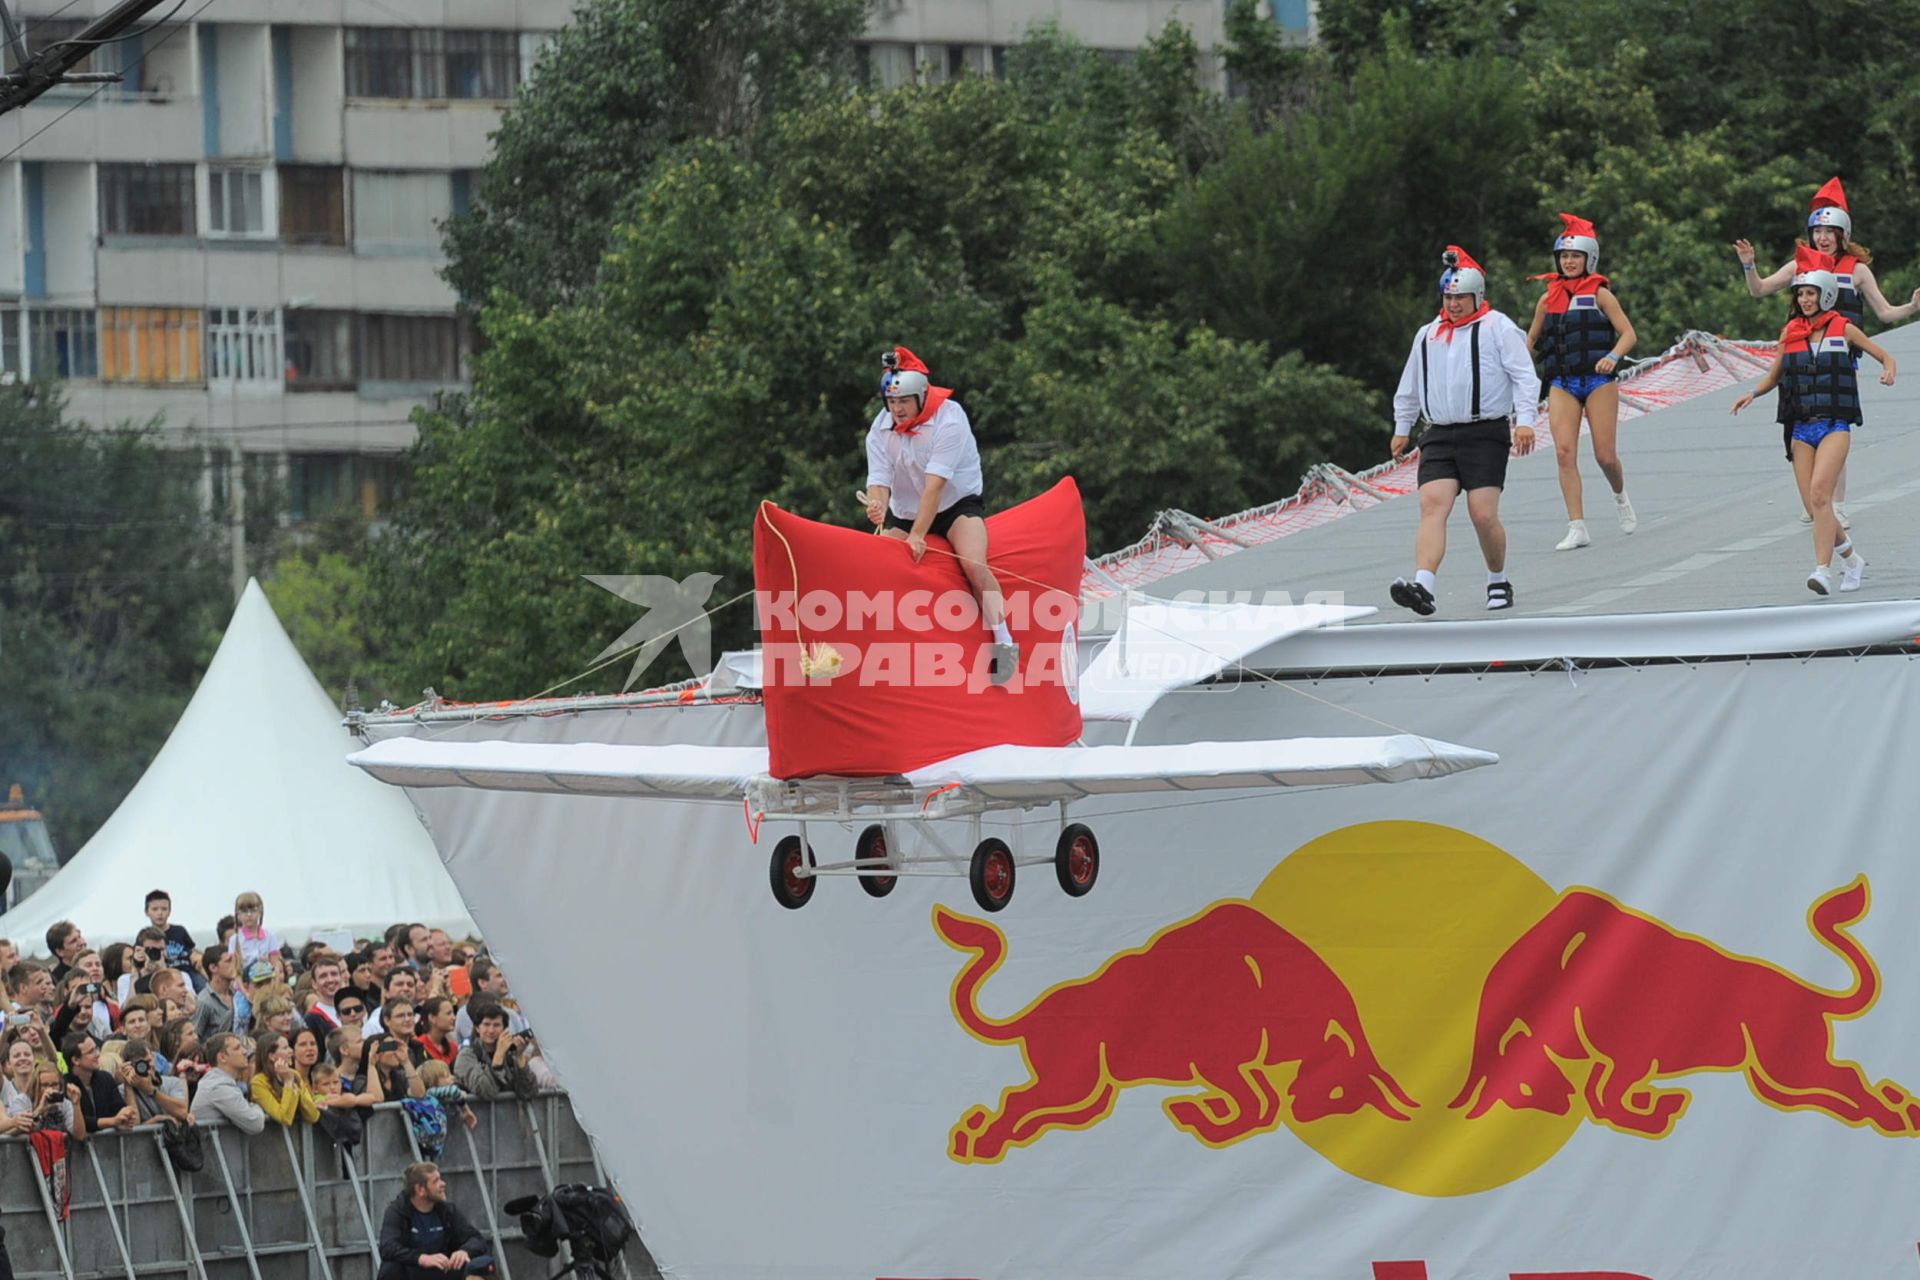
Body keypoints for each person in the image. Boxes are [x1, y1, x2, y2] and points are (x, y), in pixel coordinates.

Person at [1734, 177, 1920, 527]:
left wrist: (1910, 307)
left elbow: (1884, 313)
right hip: (1799, 355)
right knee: (1796, 424)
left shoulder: (1857, 270)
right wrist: (1749, 265)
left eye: (1829, 231)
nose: (1822, 238)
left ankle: (1837, 503)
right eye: (1817, 231)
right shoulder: (1798, 267)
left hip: (1839, 355)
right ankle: (1812, 499)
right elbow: (1758, 290)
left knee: (1835, 423)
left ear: (1842, 234)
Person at [1731, 247, 1894, 593]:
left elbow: (1883, 355)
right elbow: (1775, 375)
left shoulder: (1844, 329)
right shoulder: (1790, 331)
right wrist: (1752, 394)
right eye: (1800, 293)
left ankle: (1822, 569)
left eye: (1810, 293)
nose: (1804, 299)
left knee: (1822, 493)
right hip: (1800, 428)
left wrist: (1889, 371)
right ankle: (1852, 559)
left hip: (1835, 424)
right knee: (1814, 503)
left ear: (1827, 294)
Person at [1389, 245, 1541, 615]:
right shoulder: (1427, 334)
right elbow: (1410, 383)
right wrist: (1402, 426)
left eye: (1461, 297)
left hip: (1485, 432)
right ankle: (1423, 585)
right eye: (1448, 296)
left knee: (1482, 513)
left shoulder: (1497, 327)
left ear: (1478, 297)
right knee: (1431, 506)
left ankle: (1498, 579)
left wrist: (1525, 422)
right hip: (1438, 433)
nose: (1454, 304)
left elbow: (1524, 376)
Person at [861, 346, 1020, 684]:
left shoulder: (950, 419)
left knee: (974, 564)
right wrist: (876, 506)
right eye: (891, 403)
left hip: (954, 505)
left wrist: (918, 535)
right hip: (905, 511)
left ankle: (1004, 640)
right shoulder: (879, 429)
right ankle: (886, 647)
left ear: (921, 397)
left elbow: (935, 486)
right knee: (874, 561)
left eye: (903, 402)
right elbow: (879, 480)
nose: (897, 410)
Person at [1527, 213, 1639, 551]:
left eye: (1575, 256)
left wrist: (1613, 357)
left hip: (1598, 380)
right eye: (1564, 256)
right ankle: (1577, 525)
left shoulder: (1601, 294)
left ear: (1589, 259)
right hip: (1562, 381)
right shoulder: (1547, 299)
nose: (1569, 261)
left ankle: (1620, 495)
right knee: (1563, 453)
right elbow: (1530, 343)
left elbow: (1628, 333)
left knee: (1605, 455)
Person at [377, 1161, 495, 1280]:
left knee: (478, 1265)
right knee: (390, 1268)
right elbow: (387, 1247)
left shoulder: (447, 1211)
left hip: (442, 1271)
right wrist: (421, 1258)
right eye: (436, 1181)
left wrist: (464, 1251)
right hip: (412, 1271)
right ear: (420, 1189)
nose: (443, 1184)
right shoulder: (398, 1211)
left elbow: (477, 1239)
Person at [61, 1031, 140, 1135]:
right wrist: (113, 1121)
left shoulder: (105, 1079)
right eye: (91, 1052)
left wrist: (126, 1116)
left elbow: (120, 1108)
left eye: (96, 1048)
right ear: (76, 1060)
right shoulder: (64, 1085)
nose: (98, 1054)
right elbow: (78, 1121)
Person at [190, 1032, 268, 1134]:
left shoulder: (221, 1081)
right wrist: (256, 1107)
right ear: (222, 1057)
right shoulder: (218, 1087)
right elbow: (255, 1123)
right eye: (237, 1048)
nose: (245, 1052)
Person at [453, 1004, 529, 1101]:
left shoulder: (510, 1054)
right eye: (486, 1024)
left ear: (504, 1029)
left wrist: (520, 1057)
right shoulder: (466, 1056)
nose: (491, 1030)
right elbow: (486, 1092)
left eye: (496, 1025)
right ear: (477, 1028)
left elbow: (528, 1092)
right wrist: (498, 1057)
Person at [249, 1031, 321, 1127]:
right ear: (272, 1056)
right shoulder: (258, 1083)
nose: (291, 1051)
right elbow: (284, 1117)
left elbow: (313, 1116)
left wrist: (296, 1089)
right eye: (285, 1048)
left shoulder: (294, 1074)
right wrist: (288, 1083)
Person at [117, 1038, 193, 1128]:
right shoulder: (122, 1091)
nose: (148, 1067)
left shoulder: (172, 1082)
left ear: (154, 1058)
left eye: (149, 1061)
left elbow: (182, 1112)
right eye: (140, 1064)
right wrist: (128, 1085)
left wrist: (151, 1091)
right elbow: (133, 1126)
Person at [143, 889, 201, 989]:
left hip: (189, 972)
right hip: (166, 975)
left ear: (169, 911)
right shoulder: (145, 936)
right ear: (147, 912)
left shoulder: (180, 931)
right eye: (155, 909)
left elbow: (192, 950)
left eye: (164, 909)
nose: (160, 913)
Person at [193, 945, 237, 1041]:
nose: (234, 965)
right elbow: (195, 1037)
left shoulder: (237, 995)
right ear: (213, 968)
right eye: (228, 961)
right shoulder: (204, 1001)